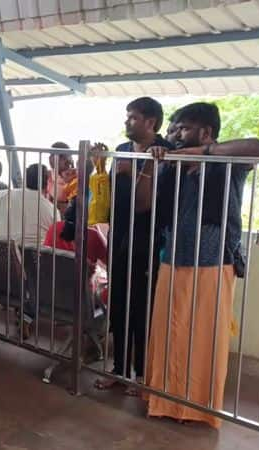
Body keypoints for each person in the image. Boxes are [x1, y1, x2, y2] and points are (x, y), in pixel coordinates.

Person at [136, 102, 259, 427]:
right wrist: (152, 165)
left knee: (202, 337)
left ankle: (195, 408)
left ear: (205, 132)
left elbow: (256, 147)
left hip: (212, 261)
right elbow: (143, 205)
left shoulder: (226, 162)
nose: (175, 135)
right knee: (169, 332)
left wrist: (204, 152)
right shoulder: (172, 164)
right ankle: (163, 400)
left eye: (182, 128)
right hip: (173, 258)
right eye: (174, 129)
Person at [93, 96, 174, 395]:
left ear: (151, 122)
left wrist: (141, 169)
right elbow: (109, 196)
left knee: (143, 308)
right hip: (120, 239)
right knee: (119, 305)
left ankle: (141, 376)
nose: (127, 122)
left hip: (149, 241)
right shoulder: (124, 151)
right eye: (127, 117)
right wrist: (102, 166)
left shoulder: (166, 152)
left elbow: (144, 204)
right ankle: (119, 369)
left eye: (133, 118)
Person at [0, 163, 55, 248]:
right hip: (33, 261)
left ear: (25, 180)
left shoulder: (6, 195)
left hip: (0, 257)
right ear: (47, 184)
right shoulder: (52, 211)